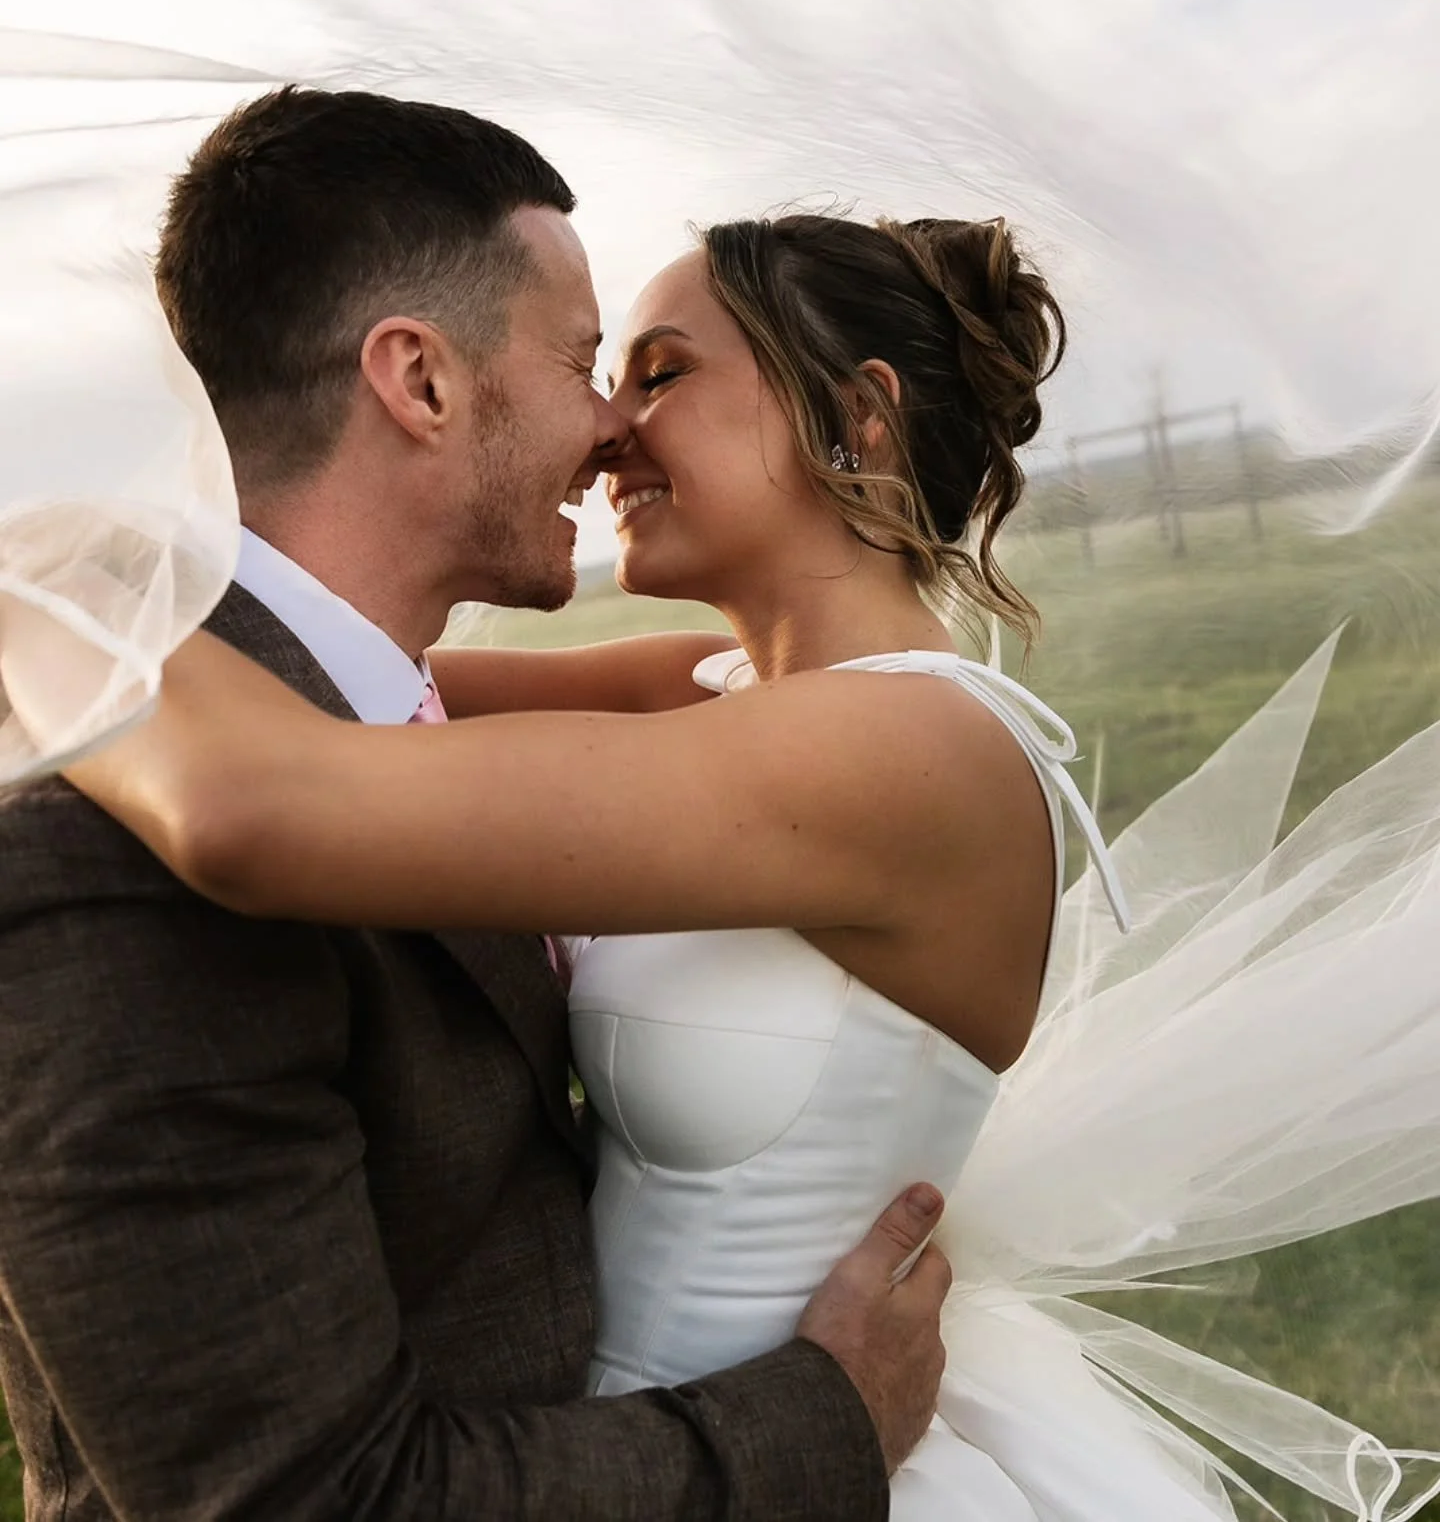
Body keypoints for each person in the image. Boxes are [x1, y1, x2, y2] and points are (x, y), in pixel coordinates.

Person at [35, 102, 1145, 1514]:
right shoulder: (702, 692)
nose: (614, 425)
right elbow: (359, 680)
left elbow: (263, 788)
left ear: (858, 419)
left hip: (778, 1466)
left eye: (660, 371)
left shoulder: (908, 753)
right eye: (598, 370)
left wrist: (40, 582)